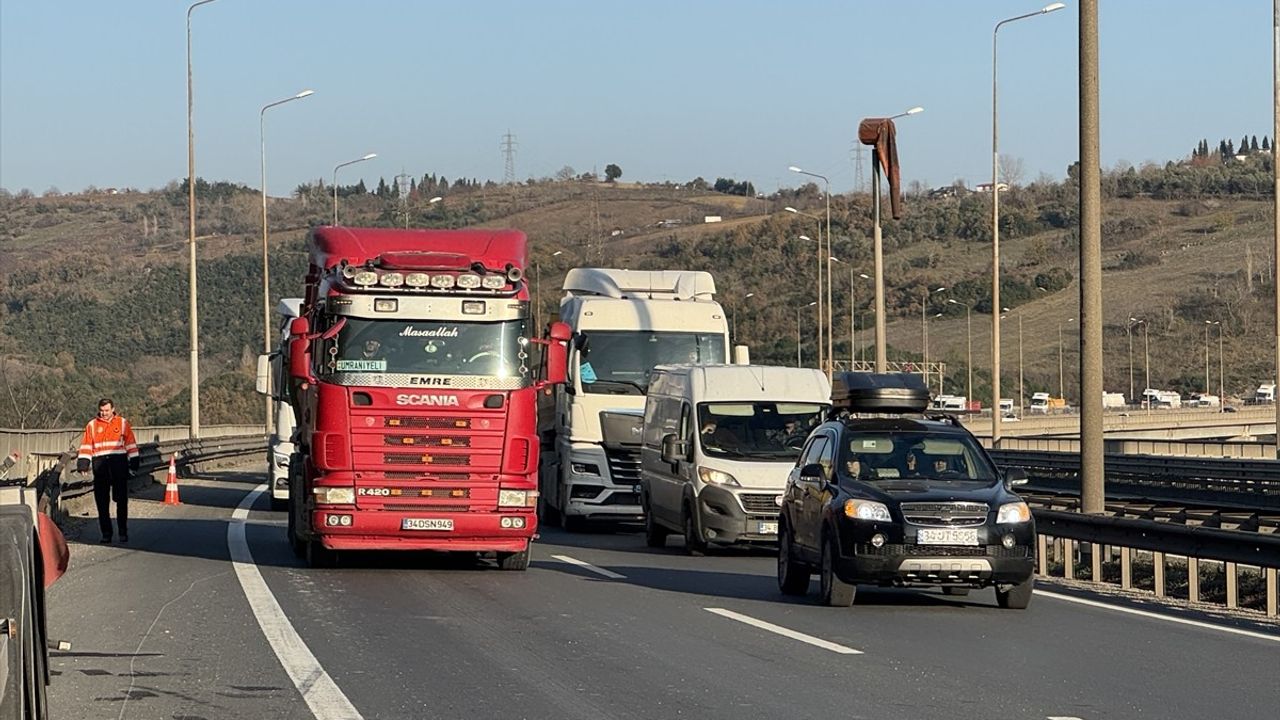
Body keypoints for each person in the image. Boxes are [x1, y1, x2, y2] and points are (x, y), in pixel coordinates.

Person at [76, 398, 139, 544]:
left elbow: (130, 443)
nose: (104, 413)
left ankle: (123, 531)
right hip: (100, 466)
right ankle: (106, 533)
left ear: (113, 409)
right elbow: (86, 445)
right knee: (102, 502)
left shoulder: (122, 423)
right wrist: (83, 464)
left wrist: (134, 461)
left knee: (121, 500)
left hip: (119, 464)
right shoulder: (92, 425)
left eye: (107, 410)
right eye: (102, 411)